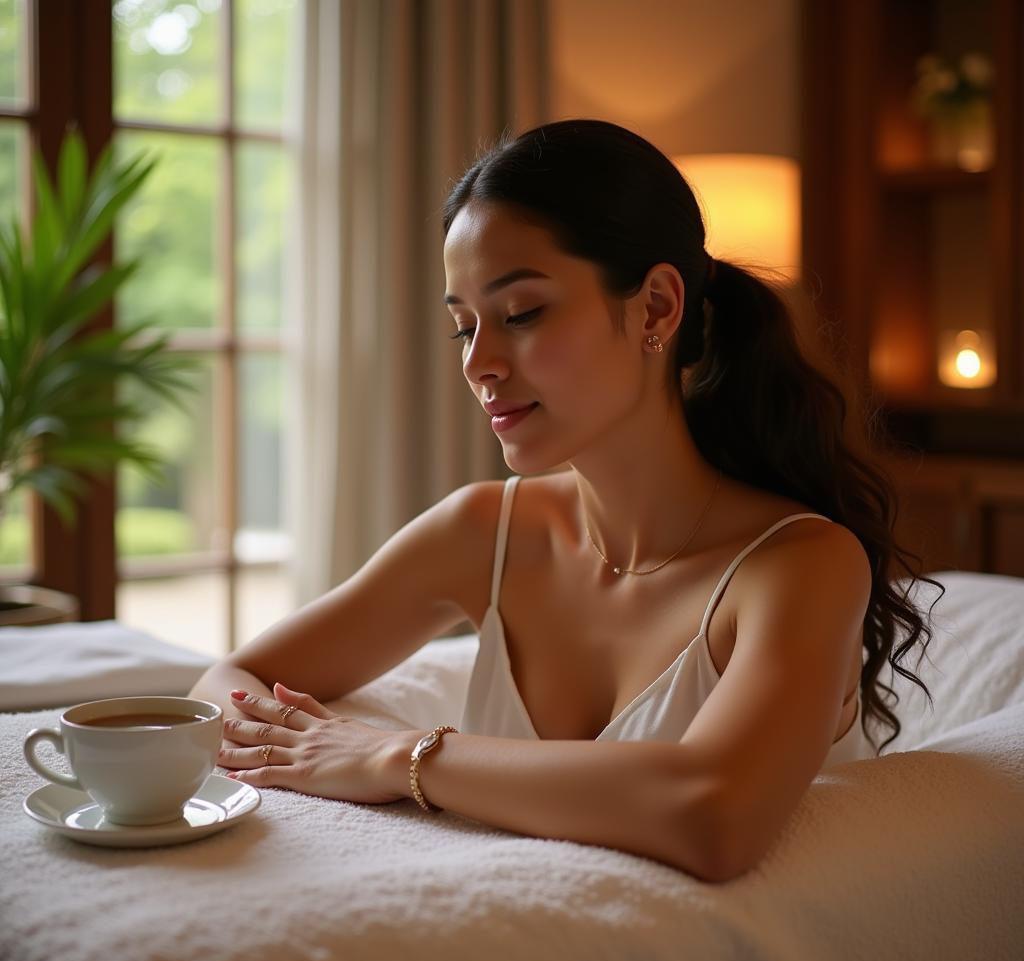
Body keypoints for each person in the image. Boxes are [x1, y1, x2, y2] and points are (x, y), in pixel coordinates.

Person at [188, 118, 942, 882]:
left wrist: (395, 756)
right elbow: (223, 685)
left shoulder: (801, 565)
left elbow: (716, 816)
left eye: (521, 314)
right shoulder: (486, 531)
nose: (480, 363)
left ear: (656, 308)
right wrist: (305, 741)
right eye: (463, 329)